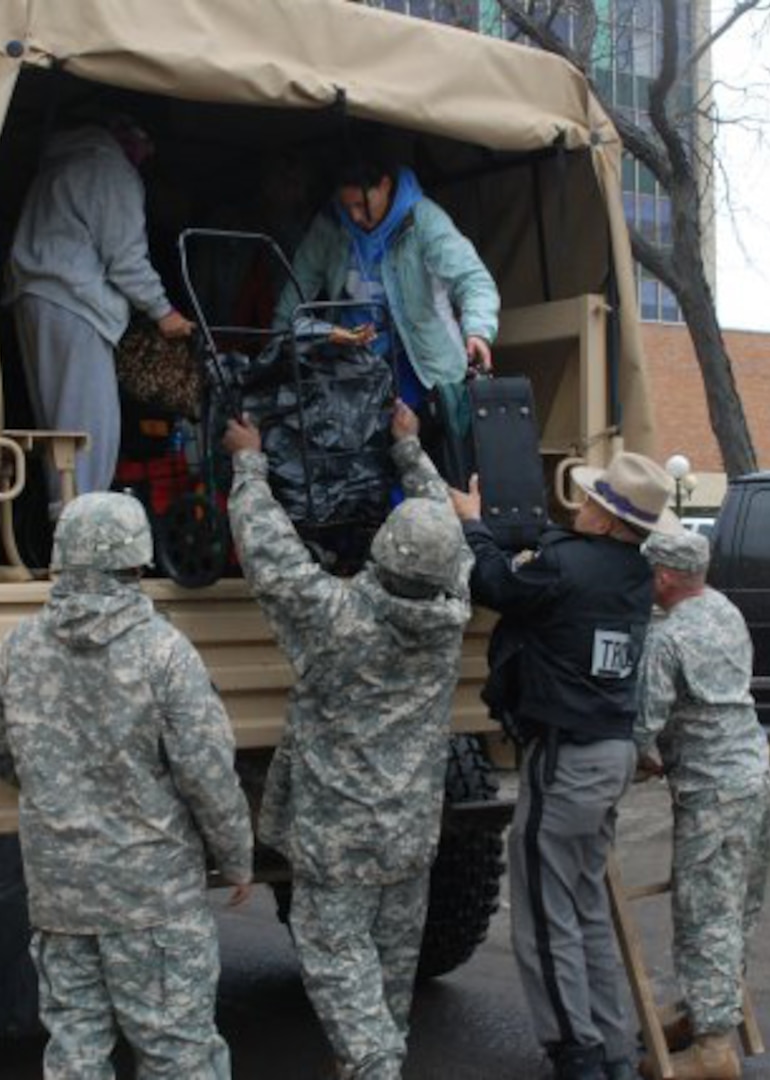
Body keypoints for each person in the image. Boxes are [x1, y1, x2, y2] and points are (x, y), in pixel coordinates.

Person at [222, 401, 472, 1080]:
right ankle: (366, 1059)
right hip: (410, 831)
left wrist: (249, 461)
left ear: (383, 551)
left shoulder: (335, 619)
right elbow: (446, 533)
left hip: (339, 836)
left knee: (336, 958)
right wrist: (411, 452)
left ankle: (371, 1067)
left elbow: (270, 556)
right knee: (387, 967)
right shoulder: (452, 613)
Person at [0, 493, 254, 1080]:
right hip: (153, 901)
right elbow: (206, 773)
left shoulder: (15, 652)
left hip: (60, 896)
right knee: (179, 1056)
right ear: (137, 561)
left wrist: (56, 792)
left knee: (75, 1054)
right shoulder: (165, 655)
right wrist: (236, 858)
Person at [449, 453, 682, 1080]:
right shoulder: (634, 575)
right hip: (609, 753)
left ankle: (573, 1053)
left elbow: (494, 587)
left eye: (590, 504)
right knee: (582, 908)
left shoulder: (566, 566)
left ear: (606, 522)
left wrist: (473, 524)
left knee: (547, 917)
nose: (577, 509)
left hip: (568, 758)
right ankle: (611, 1047)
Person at [635, 529, 770, 1080]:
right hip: (755, 778)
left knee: (705, 917)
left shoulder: (666, 639)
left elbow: (642, 727)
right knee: (735, 909)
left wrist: (628, 765)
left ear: (664, 577)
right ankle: (702, 1014)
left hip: (712, 792)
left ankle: (714, 1049)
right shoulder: (725, 611)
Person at [6, 115, 195, 509]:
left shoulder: (62, 162)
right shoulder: (111, 170)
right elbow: (126, 259)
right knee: (89, 429)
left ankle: (66, 520)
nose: (149, 154)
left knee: (58, 432)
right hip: (76, 304)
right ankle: (85, 530)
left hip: (34, 296)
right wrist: (164, 312)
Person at [274, 157, 499, 433]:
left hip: (420, 362)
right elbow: (297, 289)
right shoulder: (330, 225)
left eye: (360, 205)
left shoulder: (423, 219)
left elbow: (472, 278)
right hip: (353, 363)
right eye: (347, 206)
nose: (354, 216)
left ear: (384, 185)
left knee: (411, 439)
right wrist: (277, 351)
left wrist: (477, 330)